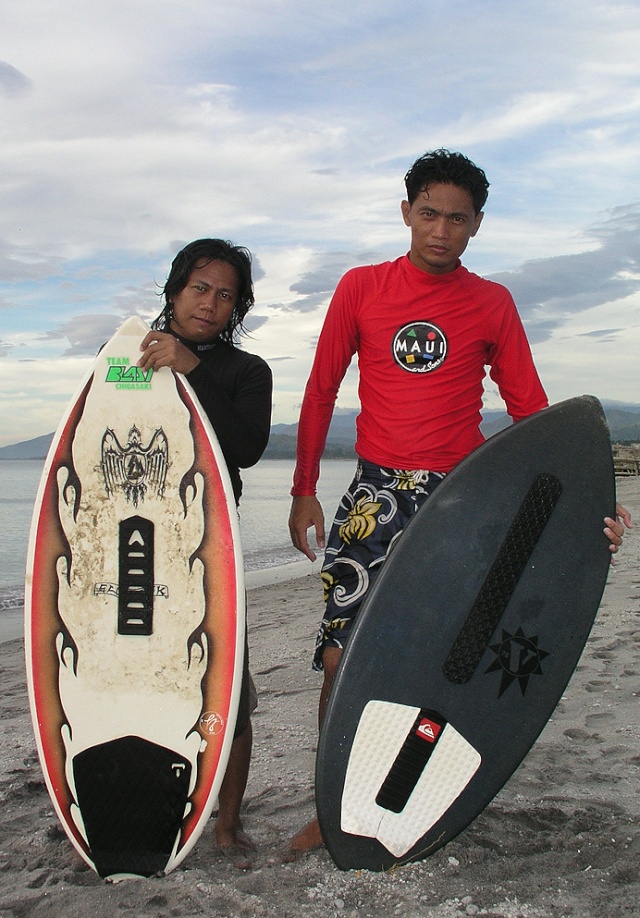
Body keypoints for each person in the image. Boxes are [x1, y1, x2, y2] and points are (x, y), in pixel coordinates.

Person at [287, 149, 632, 857]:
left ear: (476, 225)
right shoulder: (361, 288)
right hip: (377, 491)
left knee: (451, 653)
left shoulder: (491, 301)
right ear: (406, 212)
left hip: (465, 496)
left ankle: (419, 788)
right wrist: (301, 491)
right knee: (339, 658)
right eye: (429, 214)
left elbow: (531, 410)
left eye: (457, 219)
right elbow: (320, 390)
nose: (441, 230)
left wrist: (589, 506)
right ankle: (333, 805)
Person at [137, 238, 273, 861]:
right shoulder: (127, 357)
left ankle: (227, 822)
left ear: (237, 307)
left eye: (226, 295)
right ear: (173, 290)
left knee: (225, 683)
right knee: (145, 679)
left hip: (211, 544)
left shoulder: (246, 372)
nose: (210, 304)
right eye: (199, 289)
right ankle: (148, 808)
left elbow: (244, 446)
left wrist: (190, 366)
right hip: (137, 544)